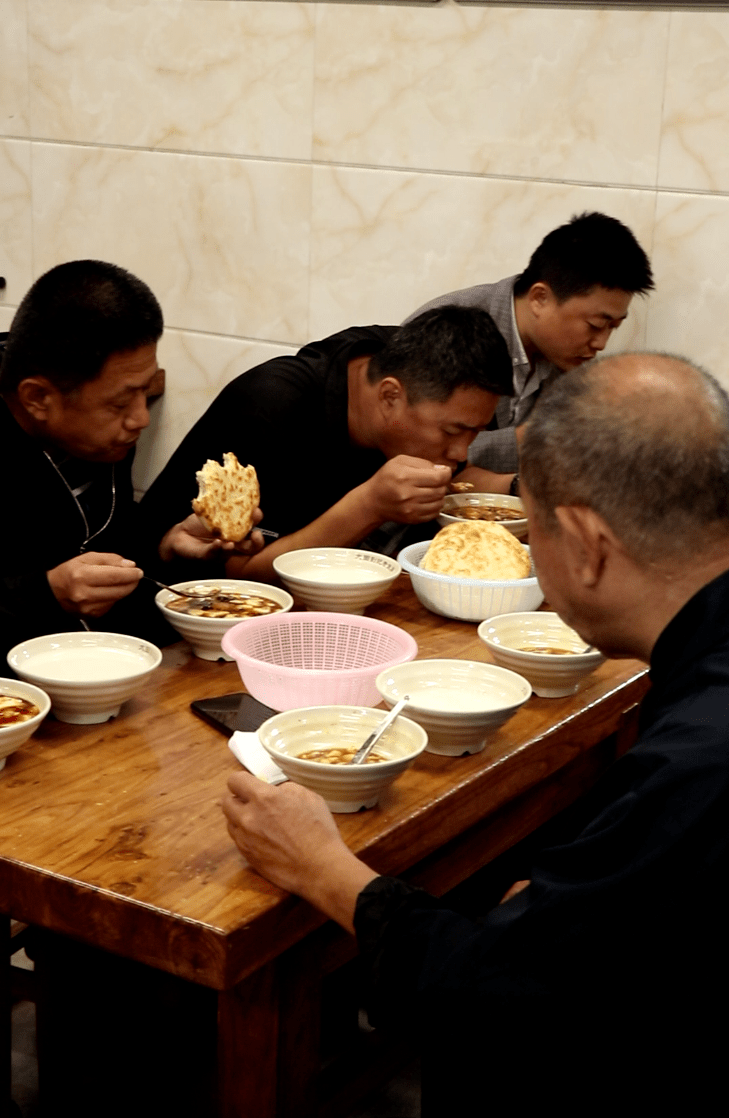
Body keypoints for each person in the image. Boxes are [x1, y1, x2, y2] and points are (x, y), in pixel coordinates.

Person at [222, 352, 729, 1110]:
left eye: (535, 536)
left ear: (587, 545)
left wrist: (322, 867)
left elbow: (493, 996)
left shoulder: (698, 760)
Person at [0, 259, 260, 657]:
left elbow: (105, 542)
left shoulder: (102, 435)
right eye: (122, 402)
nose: (141, 418)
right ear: (37, 397)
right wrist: (45, 593)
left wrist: (166, 546)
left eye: (146, 390)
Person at [141, 305, 515, 581]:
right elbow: (244, 579)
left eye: (475, 433)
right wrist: (370, 505)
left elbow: (458, 479)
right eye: (452, 433)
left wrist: (519, 488)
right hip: (177, 612)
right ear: (389, 396)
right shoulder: (273, 408)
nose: (461, 452)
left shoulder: (423, 371)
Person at [404, 212, 654, 492]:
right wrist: (533, 439)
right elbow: (415, 450)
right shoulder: (451, 330)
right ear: (539, 298)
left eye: (614, 328)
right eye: (595, 325)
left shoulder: (566, 358)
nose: (601, 343)